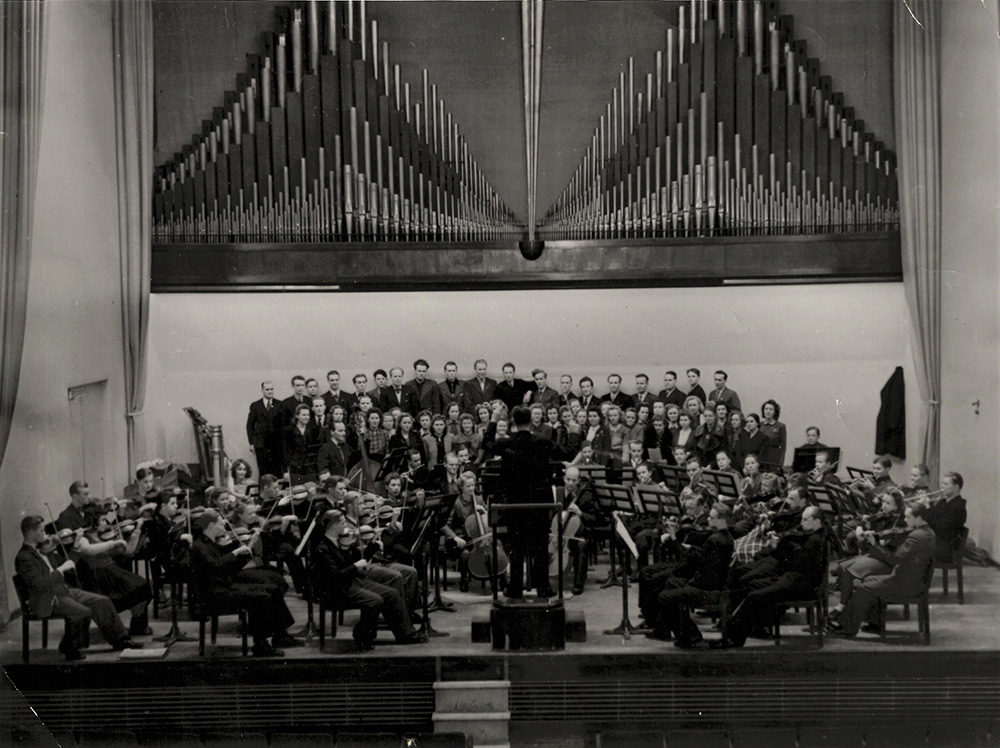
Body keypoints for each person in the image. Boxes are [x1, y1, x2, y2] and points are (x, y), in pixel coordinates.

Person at [16, 516, 141, 660]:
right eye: (42, 531)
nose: (46, 535)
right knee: (81, 612)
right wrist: (61, 569)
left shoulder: (43, 551)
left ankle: (120, 640)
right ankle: (69, 647)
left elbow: (69, 564)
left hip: (61, 591)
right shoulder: (24, 557)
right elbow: (40, 584)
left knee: (102, 601)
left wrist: (73, 547)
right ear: (31, 533)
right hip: (45, 599)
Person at [311, 509, 427, 652]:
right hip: (337, 590)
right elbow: (335, 577)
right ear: (332, 526)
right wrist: (354, 566)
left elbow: (360, 561)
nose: (345, 526)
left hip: (352, 582)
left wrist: (372, 547)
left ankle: (405, 634)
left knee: (392, 594)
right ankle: (362, 635)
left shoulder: (339, 542)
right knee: (375, 600)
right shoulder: (323, 549)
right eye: (342, 523)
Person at [190, 509, 302, 657]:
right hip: (216, 593)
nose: (224, 527)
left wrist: (247, 549)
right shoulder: (199, 546)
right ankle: (260, 645)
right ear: (211, 525)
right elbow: (216, 565)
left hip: (227, 586)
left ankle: (280, 635)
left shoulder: (211, 543)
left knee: (273, 589)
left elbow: (230, 568)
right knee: (261, 598)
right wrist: (235, 553)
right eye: (220, 524)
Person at [712, 506, 828, 648]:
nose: (801, 523)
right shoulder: (813, 537)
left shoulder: (815, 541)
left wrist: (780, 548)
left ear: (816, 521)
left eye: (805, 519)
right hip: (791, 579)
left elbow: (797, 566)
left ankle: (734, 638)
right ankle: (737, 626)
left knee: (755, 596)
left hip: (798, 584)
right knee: (752, 585)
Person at [830, 505, 936, 637]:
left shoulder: (917, 536)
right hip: (911, 580)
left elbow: (894, 559)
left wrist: (875, 545)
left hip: (905, 584)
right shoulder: (928, 532)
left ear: (919, 518)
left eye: (908, 517)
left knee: (865, 588)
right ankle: (875, 624)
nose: (905, 519)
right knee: (868, 580)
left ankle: (847, 628)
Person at [647, 503, 735, 647]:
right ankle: (678, 632)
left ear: (722, 520)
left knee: (664, 597)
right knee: (671, 582)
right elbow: (703, 556)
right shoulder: (725, 537)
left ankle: (690, 635)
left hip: (707, 589)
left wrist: (675, 540)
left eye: (712, 518)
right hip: (711, 584)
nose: (708, 520)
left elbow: (694, 563)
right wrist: (691, 548)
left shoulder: (714, 540)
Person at [498, 405, 558, 598]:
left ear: (513, 422)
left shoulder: (506, 443)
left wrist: (493, 419)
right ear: (531, 420)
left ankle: (515, 589)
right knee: (539, 548)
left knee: (517, 548)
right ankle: (543, 588)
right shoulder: (542, 441)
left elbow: (487, 447)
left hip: (516, 504)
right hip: (538, 503)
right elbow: (564, 453)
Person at [78, 503, 153, 637]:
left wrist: (138, 529)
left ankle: (137, 622)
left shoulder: (104, 536)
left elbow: (129, 550)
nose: (106, 523)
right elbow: (88, 550)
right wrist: (112, 543)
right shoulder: (83, 538)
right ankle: (134, 625)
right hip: (99, 578)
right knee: (136, 589)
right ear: (93, 522)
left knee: (144, 588)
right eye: (102, 520)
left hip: (112, 572)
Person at [554, 465, 599, 595]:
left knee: (581, 545)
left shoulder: (585, 495)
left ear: (578, 481)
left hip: (578, 534)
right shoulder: (557, 493)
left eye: (574, 480)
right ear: (564, 479)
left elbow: (594, 519)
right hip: (558, 533)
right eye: (568, 479)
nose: (571, 483)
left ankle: (578, 584)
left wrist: (580, 513)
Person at [923, 471, 968, 562]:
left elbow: (940, 527)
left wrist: (927, 507)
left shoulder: (958, 507)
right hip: (938, 542)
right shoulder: (944, 502)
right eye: (942, 483)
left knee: (913, 545)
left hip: (945, 549)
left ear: (956, 487)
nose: (942, 487)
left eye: (946, 484)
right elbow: (931, 518)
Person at [246, 381, 284, 477]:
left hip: (276, 444)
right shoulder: (255, 405)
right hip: (261, 444)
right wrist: (251, 443)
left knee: (277, 470)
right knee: (263, 471)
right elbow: (250, 425)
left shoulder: (280, 404)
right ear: (262, 390)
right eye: (267, 389)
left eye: (271, 389)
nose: (270, 391)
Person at [283, 403, 319, 482]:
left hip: (309, 467)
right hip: (294, 467)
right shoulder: (288, 431)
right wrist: (286, 470)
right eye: (303, 415)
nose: (306, 417)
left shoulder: (313, 430)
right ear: (297, 415)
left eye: (308, 415)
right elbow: (285, 451)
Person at [759, 400, 787, 471]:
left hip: (774, 458)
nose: (768, 411)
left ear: (775, 412)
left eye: (771, 409)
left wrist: (780, 463)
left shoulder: (781, 426)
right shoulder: (759, 425)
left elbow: (783, 447)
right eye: (766, 409)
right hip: (761, 457)